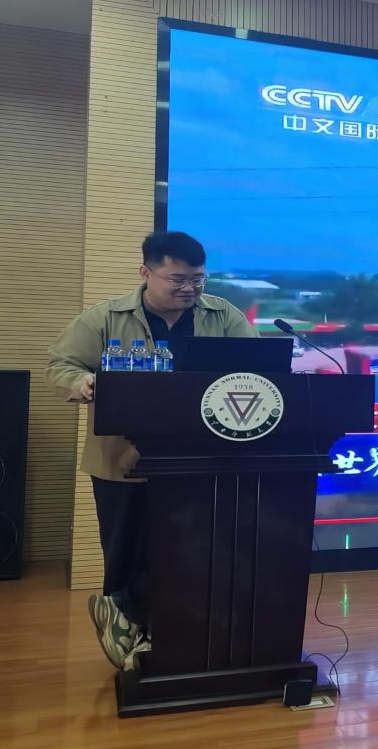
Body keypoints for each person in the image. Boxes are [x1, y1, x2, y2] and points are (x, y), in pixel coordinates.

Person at [47, 231, 257, 670]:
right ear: (146, 273)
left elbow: (260, 365)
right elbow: (61, 364)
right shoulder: (106, 317)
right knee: (126, 548)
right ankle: (132, 636)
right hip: (122, 458)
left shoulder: (222, 315)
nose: (189, 289)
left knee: (188, 547)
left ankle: (138, 622)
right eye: (177, 279)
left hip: (200, 458)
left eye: (197, 279)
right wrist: (82, 382)